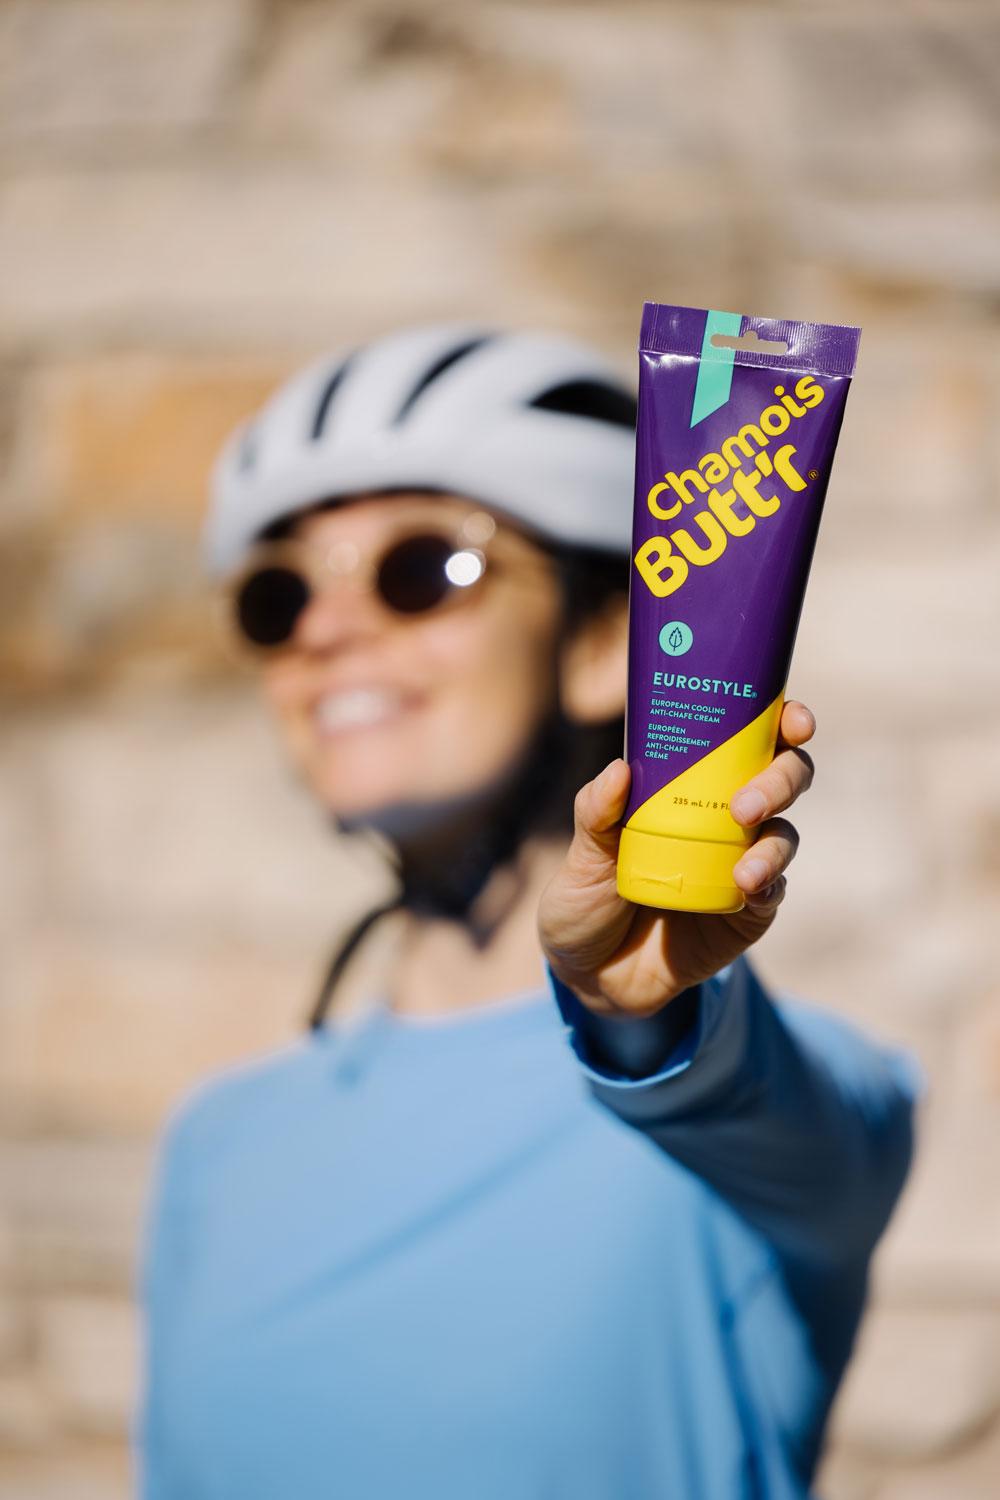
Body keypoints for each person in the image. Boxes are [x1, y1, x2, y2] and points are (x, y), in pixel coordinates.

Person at [134, 325, 918, 1499]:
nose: (325, 630)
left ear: (605, 640)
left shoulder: (775, 1108)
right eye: (277, 593)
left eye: (421, 569)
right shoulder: (215, 1145)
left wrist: (638, 1016)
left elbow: (767, 1110)